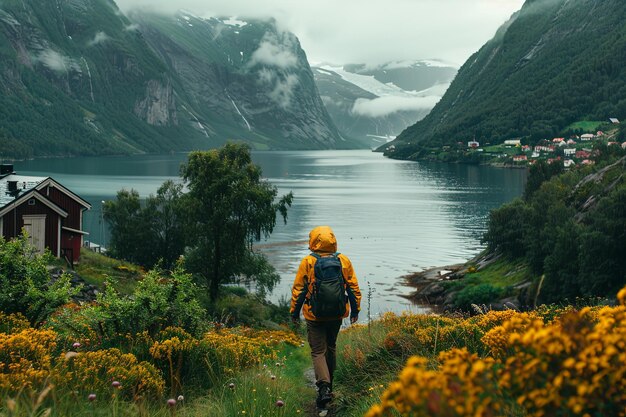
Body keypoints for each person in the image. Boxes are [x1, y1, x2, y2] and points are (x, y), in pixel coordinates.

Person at [290, 225, 361, 409]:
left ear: (313, 241)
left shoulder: (308, 261)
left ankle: (323, 388)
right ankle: (330, 384)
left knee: (318, 351)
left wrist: (294, 313)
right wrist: (355, 311)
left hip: (315, 315)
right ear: (333, 240)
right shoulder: (342, 260)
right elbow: (352, 287)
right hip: (337, 314)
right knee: (331, 347)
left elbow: (299, 290)